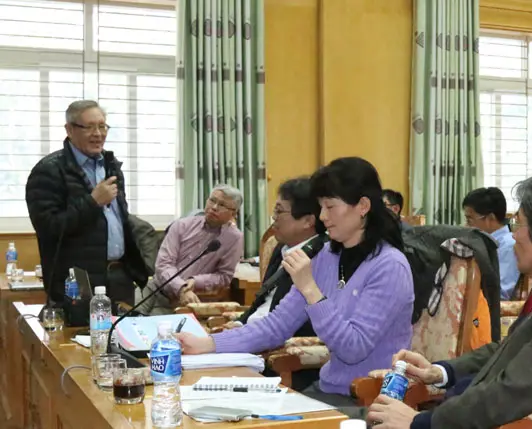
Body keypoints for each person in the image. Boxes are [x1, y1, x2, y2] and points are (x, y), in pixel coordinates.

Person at [367, 173, 532, 429]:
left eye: (518, 224)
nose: (513, 235)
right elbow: (509, 349)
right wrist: (440, 372)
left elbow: (512, 393)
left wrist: (419, 422)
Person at [178, 157, 414, 417]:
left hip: (370, 401)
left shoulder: (389, 266)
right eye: (321, 207)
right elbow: (276, 325)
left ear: (363, 206)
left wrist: (310, 289)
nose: (323, 217)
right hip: (327, 390)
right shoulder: (327, 256)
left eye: (330, 207)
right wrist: (207, 344)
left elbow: (353, 348)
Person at [25, 100, 149, 308]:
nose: (98, 134)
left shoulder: (111, 166)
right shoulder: (49, 170)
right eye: (89, 127)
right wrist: (92, 202)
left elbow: (119, 219)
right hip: (77, 282)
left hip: (119, 275)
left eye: (102, 126)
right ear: (69, 130)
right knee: (79, 330)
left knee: (124, 329)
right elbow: (49, 228)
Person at [226, 177, 326, 334]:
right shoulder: (281, 248)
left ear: (308, 221)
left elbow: (300, 322)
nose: (273, 217)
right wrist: (239, 324)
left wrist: (247, 335)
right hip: (253, 333)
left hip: (275, 341)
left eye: (279, 211)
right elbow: (261, 302)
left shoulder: (322, 255)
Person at [135, 185, 244, 314]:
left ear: (234, 213)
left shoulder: (234, 238)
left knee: (157, 324)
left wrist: (196, 281)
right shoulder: (181, 225)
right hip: (154, 289)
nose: (214, 207)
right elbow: (164, 264)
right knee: (127, 320)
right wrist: (181, 287)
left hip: (186, 301)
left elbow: (224, 276)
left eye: (222, 205)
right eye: (212, 200)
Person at [462, 187, 520, 300]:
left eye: (469, 220)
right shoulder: (482, 242)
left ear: (490, 218)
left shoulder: (508, 246)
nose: (466, 226)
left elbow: (501, 293)